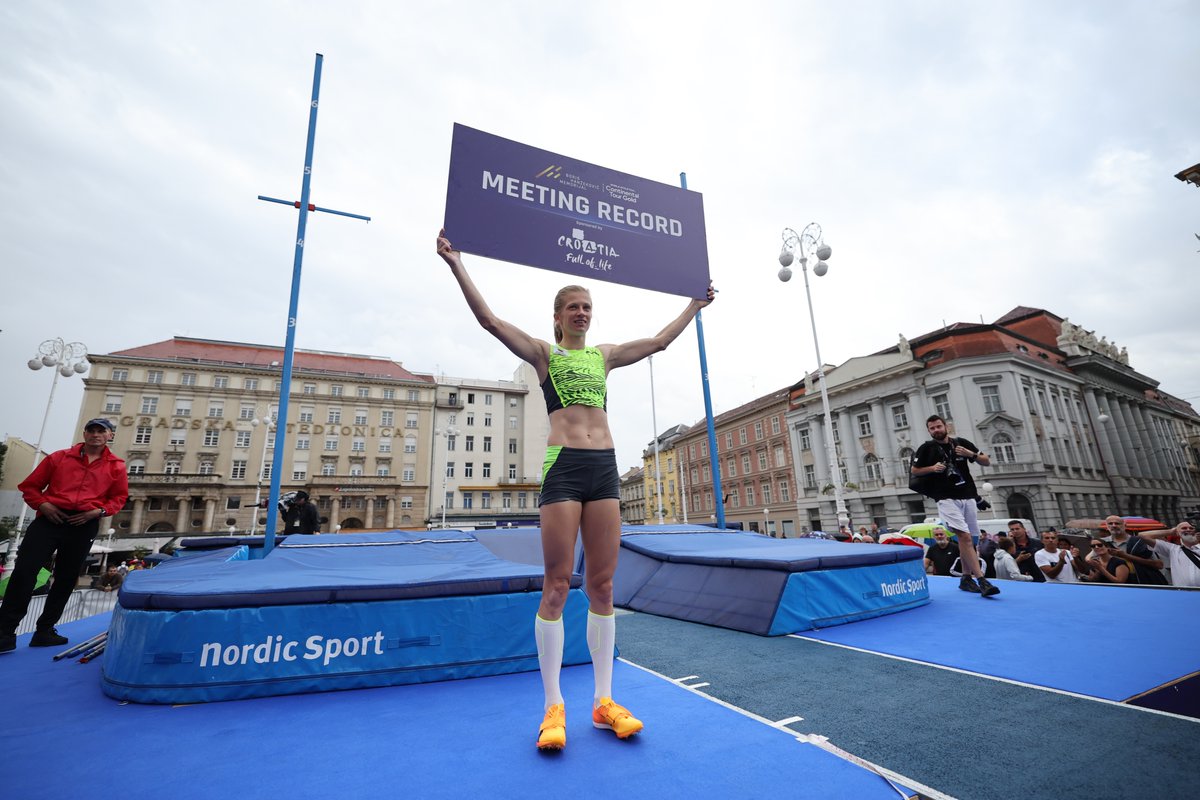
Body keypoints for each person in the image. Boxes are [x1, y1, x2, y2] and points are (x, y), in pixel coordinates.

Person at [437, 229, 714, 751]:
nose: (582, 313)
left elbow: (656, 343)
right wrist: (456, 263)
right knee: (558, 584)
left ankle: (604, 702)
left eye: (587, 307)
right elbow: (490, 321)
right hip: (563, 468)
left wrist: (694, 305)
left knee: (604, 586)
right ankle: (552, 707)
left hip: (604, 469)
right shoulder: (545, 355)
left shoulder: (605, 356)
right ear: (559, 317)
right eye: (573, 308)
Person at [0, 419, 129, 653]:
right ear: (85, 433)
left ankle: (45, 630)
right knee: (24, 572)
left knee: (66, 577)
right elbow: (30, 487)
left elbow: (118, 499)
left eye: (102, 431)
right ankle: (4, 633)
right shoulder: (59, 458)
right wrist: (44, 504)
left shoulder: (117, 466)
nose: (96, 434)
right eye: (92, 430)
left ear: (110, 435)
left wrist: (97, 512)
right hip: (50, 519)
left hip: (83, 523)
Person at [910, 415, 1000, 597]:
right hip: (945, 498)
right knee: (964, 537)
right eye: (932, 428)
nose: (936, 430)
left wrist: (970, 454)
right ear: (929, 431)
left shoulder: (960, 443)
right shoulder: (927, 448)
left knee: (971, 541)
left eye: (938, 426)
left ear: (946, 426)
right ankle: (981, 579)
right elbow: (914, 470)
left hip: (967, 496)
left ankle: (966, 578)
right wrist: (932, 468)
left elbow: (986, 460)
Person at [1103, 516, 1167, 586]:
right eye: (1110, 523)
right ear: (1107, 526)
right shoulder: (1101, 543)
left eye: (1117, 523)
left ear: (1125, 525)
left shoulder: (1140, 541)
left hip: (1144, 582)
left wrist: (1125, 556)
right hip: (1116, 585)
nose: (1114, 526)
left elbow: (1159, 565)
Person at [1138, 522, 1200, 588]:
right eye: (1184, 528)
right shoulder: (1172, 549)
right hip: (1182, 593)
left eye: (1191, 528)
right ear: (1177, 533)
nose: (1188, 529)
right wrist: (1171, 531)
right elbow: (1142, 535)